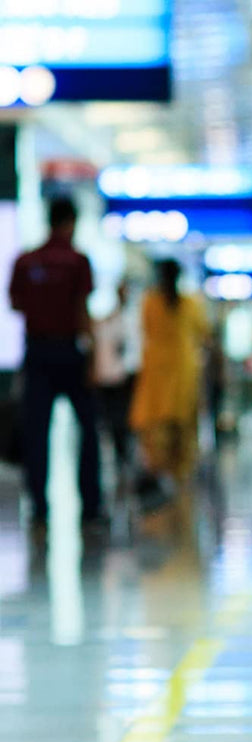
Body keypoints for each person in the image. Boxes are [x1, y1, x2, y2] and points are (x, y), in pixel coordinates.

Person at [7, 195, 105, 532]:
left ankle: (39, 507)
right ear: (71, 223)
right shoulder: (78, 261)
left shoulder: (25, 260)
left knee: (37, 434)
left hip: (37, 353)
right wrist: (92, 359)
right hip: (70, 352)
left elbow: (16, 304)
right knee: (88, 432)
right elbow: (82, 311)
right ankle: (90, 507)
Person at [128, 258, 210, 487]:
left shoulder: (150, 303)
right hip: (183, 373)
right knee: (182, 428)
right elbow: (204, 334)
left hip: (158, 373)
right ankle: (179, 475)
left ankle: (162, 475)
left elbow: (144, 330)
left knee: (157, 428)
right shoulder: (191, 304)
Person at [92, 277, 140, 493]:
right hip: (107, 380)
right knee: (109, 423)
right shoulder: (107, 321)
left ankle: (125, 460)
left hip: (123, 379)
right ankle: (119, 460)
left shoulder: (131, 320)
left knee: (122, 423)